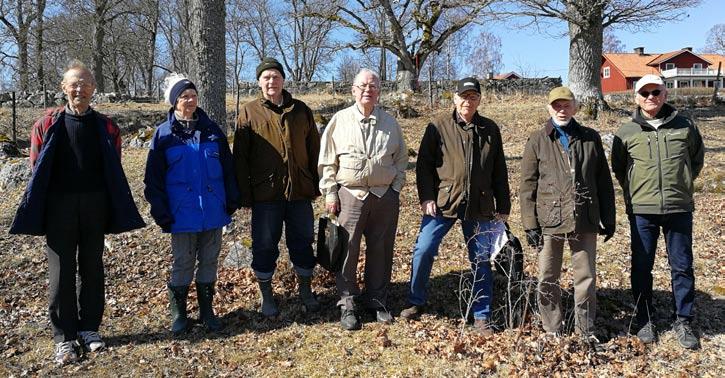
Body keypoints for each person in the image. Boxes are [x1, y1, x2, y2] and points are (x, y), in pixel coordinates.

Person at [9, 60, 145, 365]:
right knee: (61, 273)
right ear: (63, 88)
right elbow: (36, 170)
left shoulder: (107, 126)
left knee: (93, 268)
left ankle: (89, 329)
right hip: (59, 207)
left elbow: (114, 167)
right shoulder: (46, 124)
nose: (79, 88)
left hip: (95, 205)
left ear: (94, 89)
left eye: (85, 83)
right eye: (74, 83)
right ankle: (64, 337)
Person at [399, 77, 511, 335]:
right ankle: (416, 300)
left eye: (473, 97)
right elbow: (424, 166)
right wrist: (426, 197)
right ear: (454, 98)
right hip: (443, 202)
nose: (467, 101)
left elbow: (499, 170)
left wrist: (503, 205)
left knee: (481, 259)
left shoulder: (490, 129)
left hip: (480, 204)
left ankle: (481, 315)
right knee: (424, 248)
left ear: (480, 100)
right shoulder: (437, 126)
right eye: (463, 96)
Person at [611, 74, 704, 350]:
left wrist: (683, 182)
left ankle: (683, 319)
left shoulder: (685, 126)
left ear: (665, 94)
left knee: (682, 265)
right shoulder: (626, 132)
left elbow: (696, 160)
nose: (650, 97)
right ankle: (644, 319)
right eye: (645, 93)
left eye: (656, 92)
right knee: (642, 266)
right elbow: (619, 168)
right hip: (642, 209)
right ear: (636, 97)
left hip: (678, 207)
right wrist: (635, 193)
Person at [144, 73, 240, 335]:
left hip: (213, 209)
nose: (190, 100)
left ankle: (207, 311)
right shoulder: (163, 135)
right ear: (174, 102)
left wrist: (231, 199)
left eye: (193, 95)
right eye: (184, 96)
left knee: (209, 260)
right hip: (180, 213)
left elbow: (229, 169)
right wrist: (160, 211)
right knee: (183, 262)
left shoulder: (212, 131)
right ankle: (179, 314)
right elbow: (152, 180)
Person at [519, 86, 615, 339]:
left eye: (566, 105)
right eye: (556, 105)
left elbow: (603, 181)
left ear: (575, 107)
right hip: (549, 220)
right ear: (549, 108)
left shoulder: (590, 137)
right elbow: (527, 185)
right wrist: (530, 223)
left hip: (584, 218)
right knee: (547, 276)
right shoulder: (537, 140)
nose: (562, 110)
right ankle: (552, 327)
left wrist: (609, 217)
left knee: (586, 277)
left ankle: (585, 329)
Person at [318, 68, 407, 330]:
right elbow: (327, 161)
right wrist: (331, 192)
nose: (368, 90)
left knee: (381, 249)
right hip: (351, 195)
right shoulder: (340, 120)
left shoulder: (390, 122)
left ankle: (377, 299)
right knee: (347, 250)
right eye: (363, 86)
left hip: (384, 196)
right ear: (354, 90)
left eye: (374, 86)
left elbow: (402, 158)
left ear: (379, 91)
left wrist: (396, 187)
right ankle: (347, 303)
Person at [232, 57, 321, 317]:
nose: (271, 81)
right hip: (265, 194)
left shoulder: (301, 110)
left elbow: (314, 149)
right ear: (259, 82)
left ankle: (305, 290)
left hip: (299, 192)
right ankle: (266, 295)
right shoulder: (248, 112)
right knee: (264, 244)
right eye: (266, 77)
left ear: (283, 80)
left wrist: (315, 185)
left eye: (276, 76)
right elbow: (240, 159)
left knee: (303, 241)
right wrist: (245, 196)